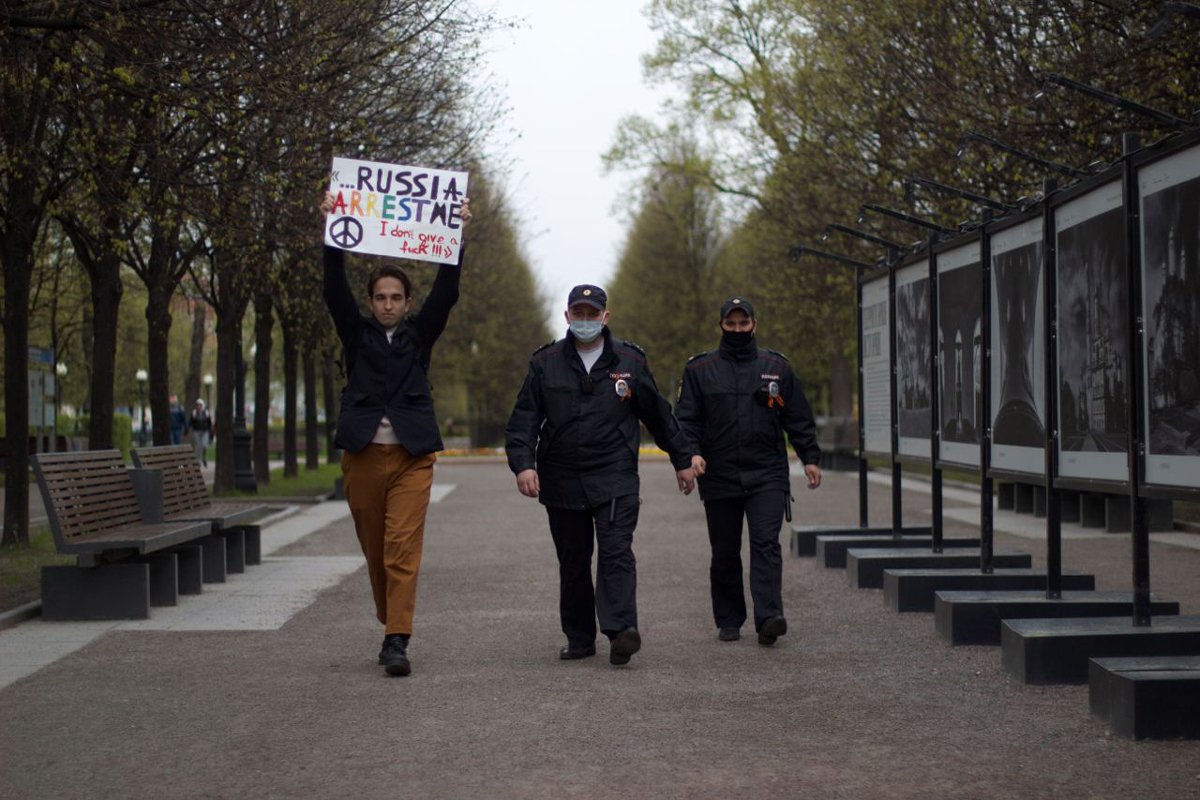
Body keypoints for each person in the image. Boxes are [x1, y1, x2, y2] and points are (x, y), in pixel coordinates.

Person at [505, 285, 696, 667]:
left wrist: (682, 458)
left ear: (605, 317)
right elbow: (524, 418)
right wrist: (523, 464)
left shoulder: (630, 361)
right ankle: (579, 638)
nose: (585, 320)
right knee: (573, 561)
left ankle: (622, 630)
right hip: (562, 477)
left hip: (614, 474)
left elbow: (658, 415)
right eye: (579, 313)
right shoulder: (545, 363)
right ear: (567, 316)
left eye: (592, 314)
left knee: (616, 552)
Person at [321, 192, 470, 677]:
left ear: (407, 303)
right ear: (371, 302)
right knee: (376, 551)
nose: (388, 304)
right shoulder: (356, 334)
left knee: (401, 547)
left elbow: (447, 292)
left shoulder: (419, 335)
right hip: (363, 455)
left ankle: (396, 639)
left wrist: (456, 234)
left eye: (396, 298)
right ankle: (392, 617)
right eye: (380, 297)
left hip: (411, 456)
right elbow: (333, 290)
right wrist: (332, 231)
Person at [675, 296, 822, 646]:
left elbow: (797, 417)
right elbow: (687, 420)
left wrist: (810, 457)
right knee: (725, 550)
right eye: (731, 324)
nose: (738, 329)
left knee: (766, 543)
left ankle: (770, 617)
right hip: (719, 474)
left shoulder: (777, 367)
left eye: (744, 323)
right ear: (721, 325)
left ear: (754, 324)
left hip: (766, 473)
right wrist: (691, 454)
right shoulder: (700, 369)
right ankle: (729, 618)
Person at [189, 399, 212, 466]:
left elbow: (209, 422)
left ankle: (204, 458)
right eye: (197, 405)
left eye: (200, 405)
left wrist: (210, 430)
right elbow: (191, 422)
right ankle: (197, 460)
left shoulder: (206, 413)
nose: (198, 406)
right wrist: (188, 428)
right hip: (196, 431)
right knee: (198, 446)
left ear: (202, 406)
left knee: (204, 445)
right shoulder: (194, 413)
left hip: (205, 431)